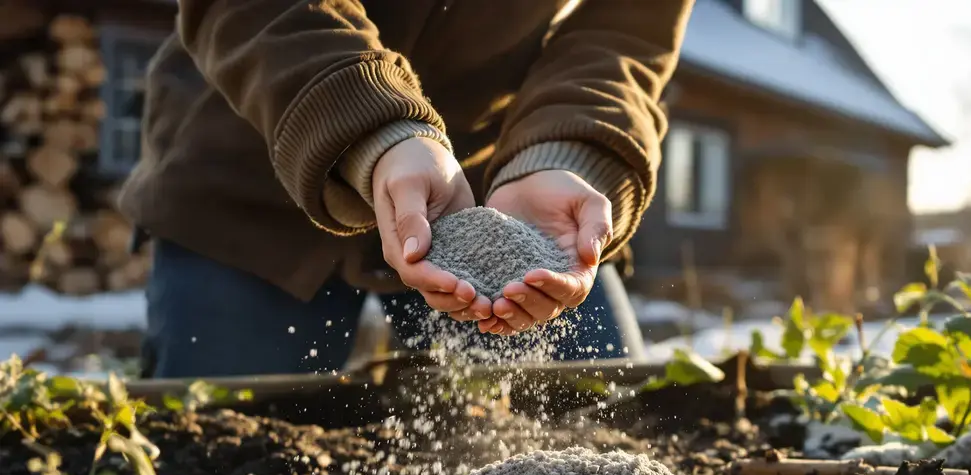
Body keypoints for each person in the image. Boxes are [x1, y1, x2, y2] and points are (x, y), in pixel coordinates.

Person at [118, 0, 695, 379]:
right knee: (212, 468)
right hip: (250, 180)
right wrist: (377, 132)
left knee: (602, 416)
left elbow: (627, 34)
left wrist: (563, 156)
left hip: (482, 192)